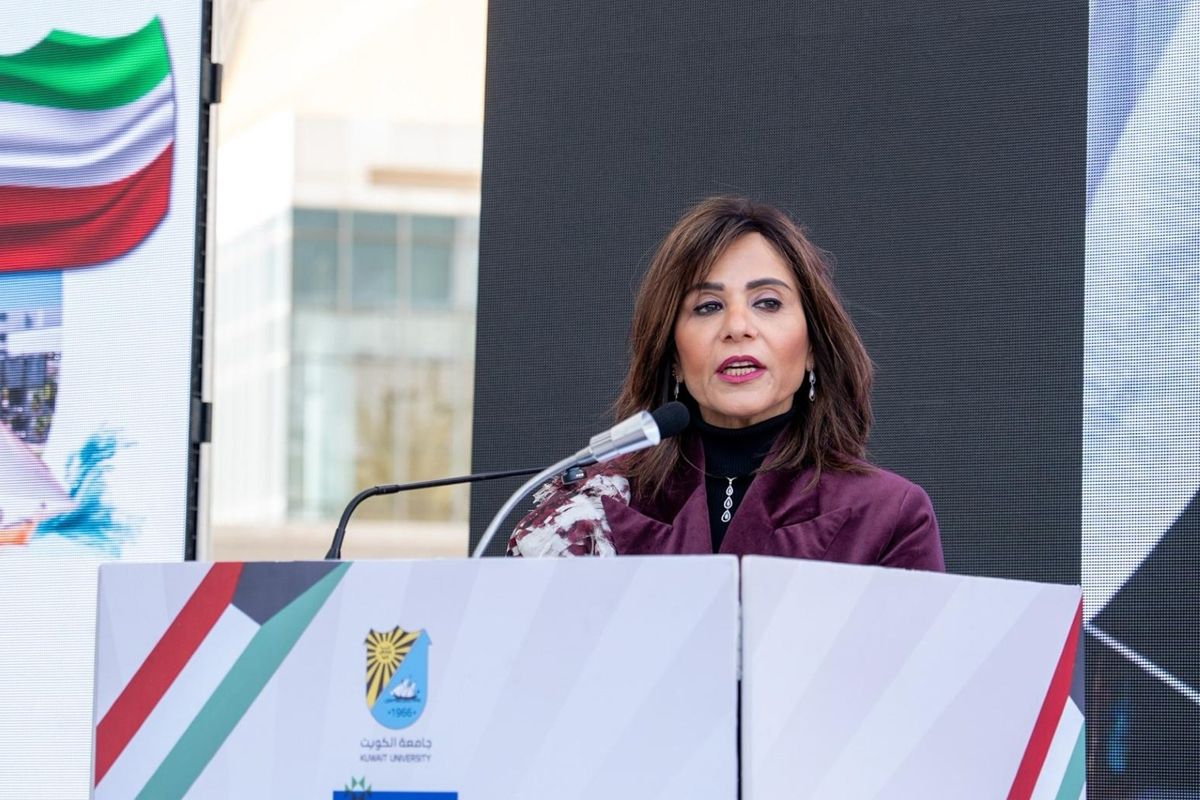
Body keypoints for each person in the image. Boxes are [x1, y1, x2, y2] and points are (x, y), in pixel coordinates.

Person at [507, 196, 944, 570]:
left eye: (767, 303)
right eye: (708, 306)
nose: (737, 327)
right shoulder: (590, 507)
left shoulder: (888, 514)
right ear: (673, 356)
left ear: (813, 345)